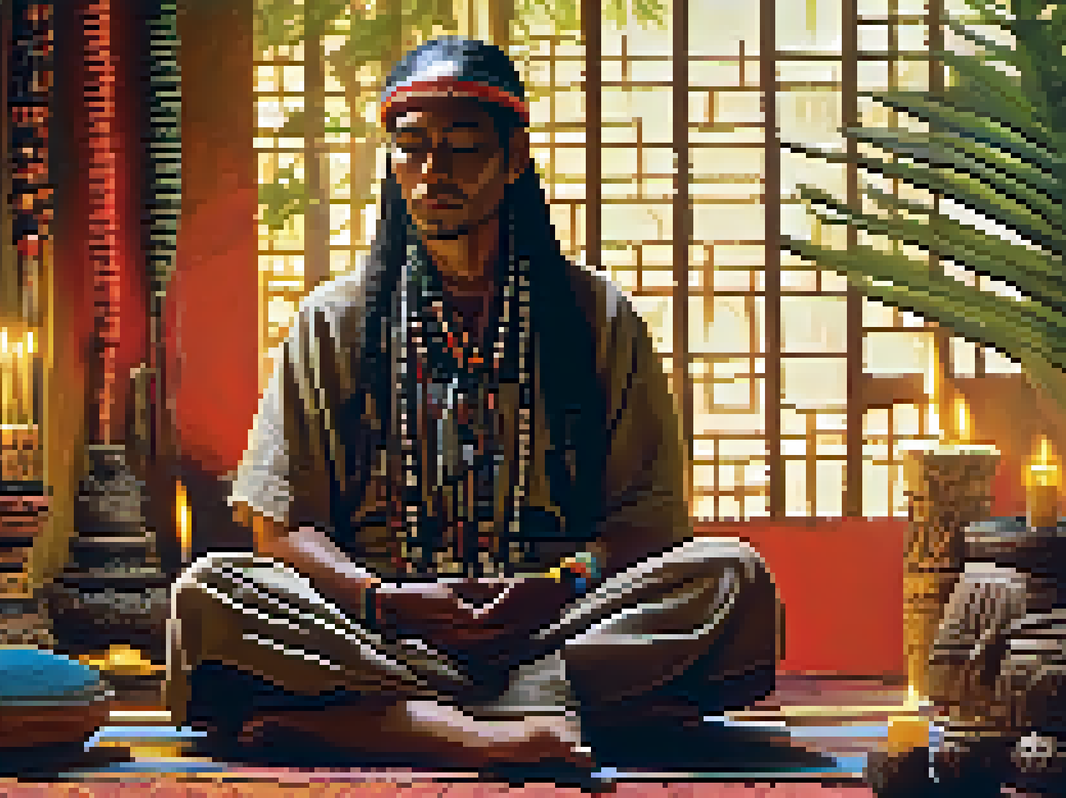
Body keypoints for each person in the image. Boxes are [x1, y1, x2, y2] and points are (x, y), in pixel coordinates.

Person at [163, 36, 781, 770]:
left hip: (555, 616)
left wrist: (560, 586)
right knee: (209, 592)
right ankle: (514, 725)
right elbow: (282, 525)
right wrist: (386, 602)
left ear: (514, 159)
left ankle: (374, 722)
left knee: (730, 579)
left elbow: (647, 520)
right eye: (411, 148)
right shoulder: (335, 320)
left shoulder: (595, 316)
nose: (432, 173)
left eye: (460, 148)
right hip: (381, 621)